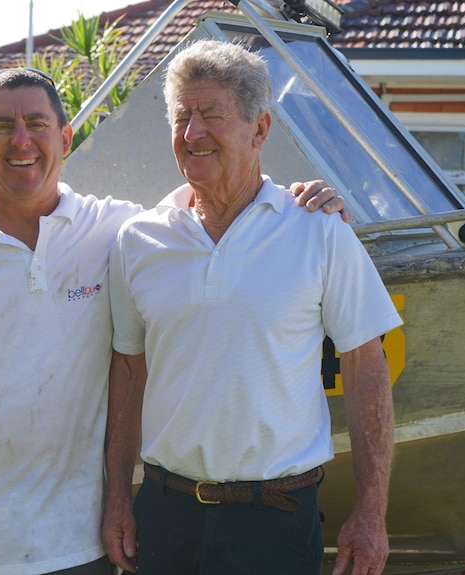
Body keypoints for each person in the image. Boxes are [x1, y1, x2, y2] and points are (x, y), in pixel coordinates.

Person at [0, 66, 348, 575]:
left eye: (37, 123)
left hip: (80, 547)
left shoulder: (117, 231)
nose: (21, 141)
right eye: (0, 127)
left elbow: (212, 202)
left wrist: (304, 204)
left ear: (65, 137)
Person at [103, 40, 403, 575]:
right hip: (165, 518)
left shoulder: (318, 229)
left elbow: (366, 368)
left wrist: (371, 510)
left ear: (260, 129)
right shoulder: (139, 239)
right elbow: (128, 369)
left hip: (275, 526)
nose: (192, 133)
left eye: (211, 115)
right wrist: (118, 499)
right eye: (181, 117)